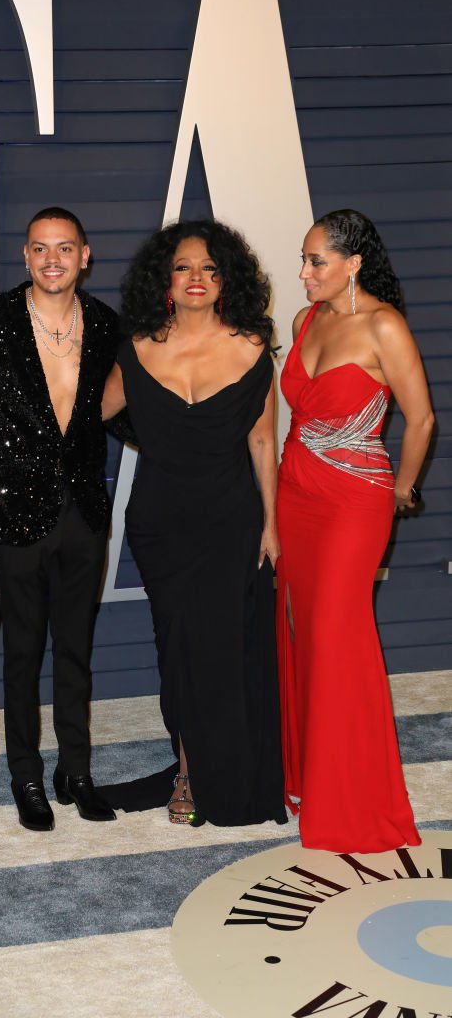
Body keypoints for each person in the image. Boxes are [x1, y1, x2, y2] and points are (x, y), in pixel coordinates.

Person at [101, 218, 287, 827]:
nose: (197, 278)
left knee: (223, 650)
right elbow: (88, 417)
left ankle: (208, 773)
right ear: (165, 280)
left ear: (225, 279)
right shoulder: (136, 350)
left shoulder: (255, 348)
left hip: (233, 520)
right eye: (184, 267)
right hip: (160, 522)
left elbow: (264, 442)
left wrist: (272, 523)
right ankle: (187, 764)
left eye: (210, 268)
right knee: (177, 650)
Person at [276, 208, 434, 852]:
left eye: (317, 261)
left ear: (353, 264)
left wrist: (401, 490)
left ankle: (354, 802)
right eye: (305, 260)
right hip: (297, 492)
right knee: (304, 634)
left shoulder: (384, 326)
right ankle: (311, 780)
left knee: (339, 636)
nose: (305, 272)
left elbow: (421, 420)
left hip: (353, 501)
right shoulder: (304, 319)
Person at [0, 207, 117, 831]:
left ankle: (74, 770)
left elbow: (131, 409)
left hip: (83, 511)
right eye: (39, 248)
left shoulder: (108, 326)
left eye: (64, 247)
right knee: (22, 654)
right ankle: (26, 776)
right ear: (26, 258)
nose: (52, 258)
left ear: (84, 255)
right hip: (12, 513)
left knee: (76, 651)